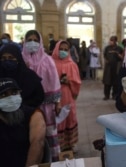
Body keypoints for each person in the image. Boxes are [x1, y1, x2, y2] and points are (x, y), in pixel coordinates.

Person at [22, 30, 61, 161]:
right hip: (26, 105)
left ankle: (52, 161)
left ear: (40, 42)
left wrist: (57, 102)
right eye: (29, 40)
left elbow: (54, 81)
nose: (32, 43)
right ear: (24, 42)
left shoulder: (47, 60)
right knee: (29, 136)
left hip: (46, 105)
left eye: (35, 40)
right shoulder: (20, 59)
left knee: (48, 134)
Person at [0, 77, 46, 167]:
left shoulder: (34, 115)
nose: (10, 98)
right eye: (3, 95)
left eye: (14, 93)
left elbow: (37, 142)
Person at [52, 40, 81, 152]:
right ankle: (58, 144)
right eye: (61, 49)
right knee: (57, 118)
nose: (63, 51)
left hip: (68, 95)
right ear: (56, 49)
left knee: (70, 117)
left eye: (65, 50)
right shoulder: (51, 63)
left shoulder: (72, 64)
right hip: (55, 96)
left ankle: (71, 143)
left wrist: (69, 81)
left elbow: (77, 82)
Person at [0, 43, 44, 108]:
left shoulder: (30, 76)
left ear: (18, 58)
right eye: (3, 58)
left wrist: (22, 106)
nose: (7, 60)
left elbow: (39, 97)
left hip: (25, 112)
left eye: (11, 57)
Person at [102, 35, 123, 100]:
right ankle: (106, 95)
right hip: (108, 67)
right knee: (107, 82)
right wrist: (106, 60)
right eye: (110, 40)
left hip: (116, 67)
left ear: (115, 41)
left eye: (112, 40)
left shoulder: (119, 48)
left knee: (115, 82)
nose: (110, 42)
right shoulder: (107, 48)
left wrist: (116, 53)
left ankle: (115, 95)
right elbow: (104, 55)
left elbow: (122, 57)